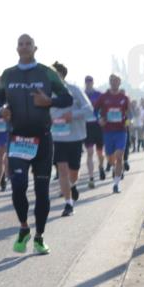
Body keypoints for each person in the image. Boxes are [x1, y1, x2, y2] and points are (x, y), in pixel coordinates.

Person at [0, 34, 72, 255]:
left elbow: (67, 98)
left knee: (41, 190)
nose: (24, 47)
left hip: (43, 138)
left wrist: (50, 102)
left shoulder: (47, 72)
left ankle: (39, 237)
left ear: (35, 48)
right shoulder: (9, 74)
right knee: (18, 186)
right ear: (16, 48)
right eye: (21, 43)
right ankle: (24, 228)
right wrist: (2, 109)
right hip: (18, 138)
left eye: (28, 43)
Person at [49, 63, 93, 217]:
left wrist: (72, 115)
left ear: (62, 74)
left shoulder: (74, 89)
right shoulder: (47, 92)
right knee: (62, 170)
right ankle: (68, 203)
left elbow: (89, 108)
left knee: (73, 171)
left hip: (75, 136)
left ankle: (73, 186)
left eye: (55, 74)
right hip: (57, 137)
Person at [93, 74, 131, 193]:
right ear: (110, 82)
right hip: (108, 131)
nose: (114, 83)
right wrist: (99, 118)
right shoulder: (104, 97)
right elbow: (95, 110)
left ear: (120, 83)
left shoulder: (124, 97)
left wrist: (128, 122)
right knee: (110, 157)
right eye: (112, 81)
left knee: (119, 156)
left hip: (121, 131)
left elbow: (130, 113)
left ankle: (116, 184)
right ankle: (114, 167)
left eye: (117, 81)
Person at [82, 75, 105, 188]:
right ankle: (91, 178)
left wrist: (103, 118)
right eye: (87, 82)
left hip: (98, 125)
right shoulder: (81, 94)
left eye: (90, 82)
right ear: (85, 83)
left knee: (100, 152)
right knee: (90, 152)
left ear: (93, 82)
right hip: (87, 125)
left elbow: (105, 107)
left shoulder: (99, 94)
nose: (88, 84)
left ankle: (101, 166)